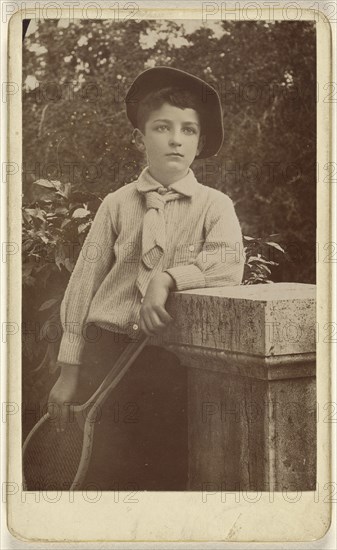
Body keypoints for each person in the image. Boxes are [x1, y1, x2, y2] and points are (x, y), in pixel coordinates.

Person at [48, 66, 245, 489]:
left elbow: (228, 263)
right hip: (106, 354)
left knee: (164, 471)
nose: (176, 138)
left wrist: (169, 278)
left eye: (189, 130)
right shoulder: (117, 204)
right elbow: (84, 283)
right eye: (162, 127)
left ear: (200, 142)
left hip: (168, 362)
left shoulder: (215, 205)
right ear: (140, 139)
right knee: (101, 470)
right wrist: (69, 373)